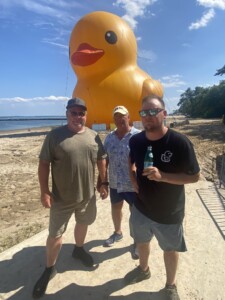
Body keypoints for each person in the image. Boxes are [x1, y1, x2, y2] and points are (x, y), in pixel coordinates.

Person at [124, 95, 200, 300]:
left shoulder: (179, 142)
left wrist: (163, 176)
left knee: (170, 249)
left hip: (169, 212)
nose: (147, 117)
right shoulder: (136, 140)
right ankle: (143, 269)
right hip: (140, 208)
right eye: (143, 113)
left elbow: (194, 177)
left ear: (164, 114)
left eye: (153, 111)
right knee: (141, 241)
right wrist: (132, 179)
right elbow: (130, 161)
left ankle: (170, 285)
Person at [32, 98, 108, 299]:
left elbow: (101, 159)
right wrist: (44, 191)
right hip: (61, 198)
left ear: (86, 115)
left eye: (81, 113)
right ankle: (49, 269)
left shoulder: (93, 136)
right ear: (66, 114)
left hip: (87, 196)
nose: (77, 116)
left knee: (83, 223)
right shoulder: (55, 136)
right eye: (73, 113)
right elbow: (43, 164)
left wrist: (103, 181)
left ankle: (79, 249)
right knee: (55, 234)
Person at [102, 106, 140, 259]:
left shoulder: (138, 136)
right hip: (115, 182)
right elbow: (105, 160)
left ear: (128, 117)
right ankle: (117, 233)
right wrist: (102, 182)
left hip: (132, 184)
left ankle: (137, 241)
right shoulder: (109, 138)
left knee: (135, 213)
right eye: (116, 117)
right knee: (116, 208)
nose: (119, 119)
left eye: (122, 116)